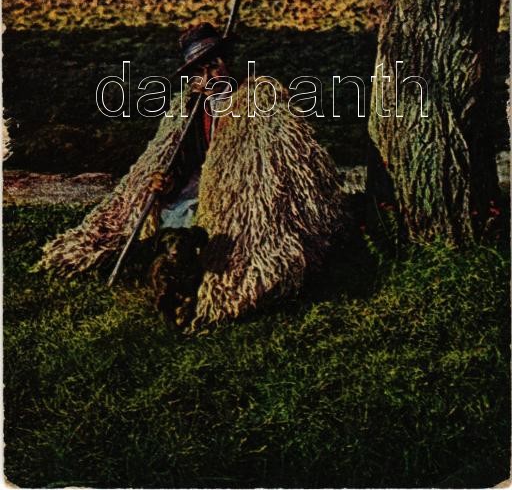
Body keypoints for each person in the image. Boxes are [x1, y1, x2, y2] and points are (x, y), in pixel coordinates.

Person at [38, 23, 350, 331]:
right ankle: (171, 277)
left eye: (214, 66)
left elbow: (279, 160)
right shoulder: (192, 107)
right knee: (173, 220)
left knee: (237, 239)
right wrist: (168, 181)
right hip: (200, 185)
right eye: (200, 72)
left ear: (227, 61)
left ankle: (208, 282)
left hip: (245, 192)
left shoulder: (258, 99)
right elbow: (183, 157)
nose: (210, 77)